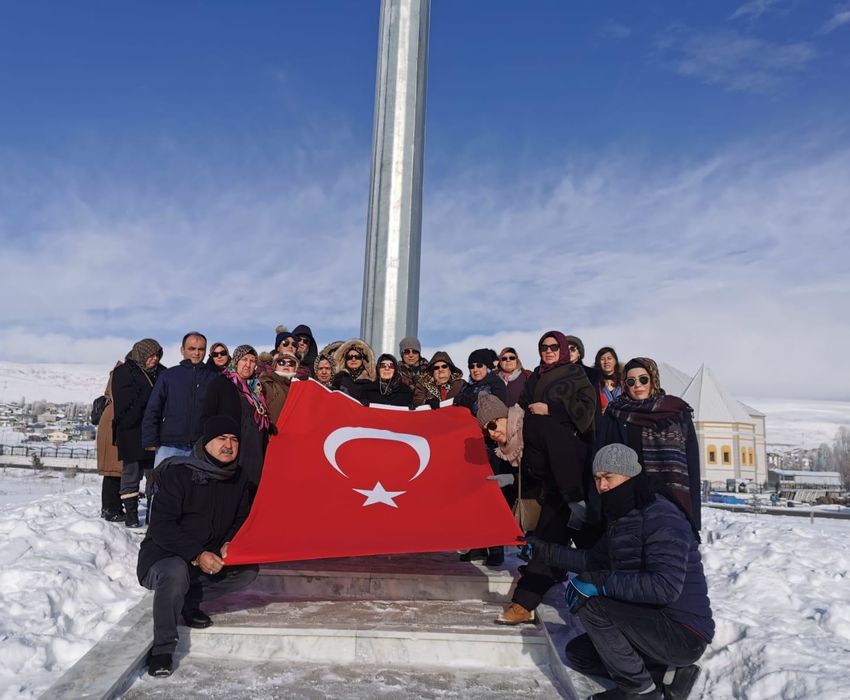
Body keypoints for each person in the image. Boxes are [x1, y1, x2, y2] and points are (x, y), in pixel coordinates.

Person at [529, 444, 713, 700]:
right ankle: (668, 675)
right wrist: (544, 551)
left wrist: (600, 583)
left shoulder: (661, 516)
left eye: (608, 477)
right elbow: (594, 560)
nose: (602, 486)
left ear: (629, 476)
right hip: (652, 620)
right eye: (597, 479)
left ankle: (641, 691)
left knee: (594, 605)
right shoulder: (623, 516)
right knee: (579, 654)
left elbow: (665, 587)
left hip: (682, 631)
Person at [138, 415, 259, 679]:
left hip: (207, 557)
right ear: (205, 443)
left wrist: (229, 543)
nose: (228, 445)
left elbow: (240, 520)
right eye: (221, 439)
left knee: (248, 570)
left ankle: (188, 602)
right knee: (175, 572)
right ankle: (162, 648)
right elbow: (161, 526)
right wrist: (196, 554)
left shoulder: (238, 479)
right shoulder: (178, 474)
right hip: (164, 556)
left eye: (234, 439)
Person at [496, 331, 598, 625]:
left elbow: (588, 412)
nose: (549, 351)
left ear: (564, 350)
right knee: (557, 533)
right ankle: (544, 581)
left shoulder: (577, 375)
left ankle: (525, 601)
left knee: (562, 533)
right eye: (544, 347)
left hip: (571, 469)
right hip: (545, 469)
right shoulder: (536, 377)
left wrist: (553, 410)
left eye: (554, 347)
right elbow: (522, 410)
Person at [597, 357, 702, 530]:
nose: (638, 385)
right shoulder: (615, 412)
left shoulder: (676, 411)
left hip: (670, 501)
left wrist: (693, 520)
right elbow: (601, 457)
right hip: (627, 502)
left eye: (643, 379)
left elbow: (691, 464)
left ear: (653, 379)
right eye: (631, 381)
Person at [204, 345, 272, 493]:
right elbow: (208, 416)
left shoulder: (257, 388)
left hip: (254, 449)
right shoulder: (221, 383)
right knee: (231, 491)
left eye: (253, 361)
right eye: (244, 359)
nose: (248, 364)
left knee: (252, 490)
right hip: (231, 448)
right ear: (236, 361)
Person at [112, 338, 165, 528]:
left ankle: (152, 513)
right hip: (131, 431)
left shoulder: (162, 372)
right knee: (131, 473)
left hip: (154, 430)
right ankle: (132, 515)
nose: (154, 359)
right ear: (141, 354)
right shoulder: (123, 372)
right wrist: (152, 398)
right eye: (151, 355)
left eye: (157, 355)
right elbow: (125, 403)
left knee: (154, 474)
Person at [142, 332, 215, 467]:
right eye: (191, 348)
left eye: (201, 349)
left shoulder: (213, 378)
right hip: (170, 445)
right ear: (182, 350)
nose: (196, 353)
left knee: (198, 487)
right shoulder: (168, 376)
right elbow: (153, 408)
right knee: (163, 486)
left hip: (201, 446)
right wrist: (150, 439)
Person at [95, 365, 123, 522]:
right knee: (113, 470)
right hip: (114, 427)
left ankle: (112, 508)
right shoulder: (122, 374)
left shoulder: (118, 373)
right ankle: (111, 509)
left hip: (114, 426)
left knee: (115, 470)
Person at [454, 348, 508, 414]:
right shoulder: (465, 388)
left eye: (479, 365)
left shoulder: (496, 384)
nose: (475, 369)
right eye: (471, 366)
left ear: (487, 367)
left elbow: (491, 409)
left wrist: (467, 400)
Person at [261, 351, 299, 423]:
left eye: (291, 363)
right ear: (275, 366)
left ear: (296, 368)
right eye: (281, 362)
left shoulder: (300, 387)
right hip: (273, 432)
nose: (286, 365)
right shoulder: (266, 383)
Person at [594, 346, 623, 413]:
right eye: (602, 359)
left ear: (615, 361)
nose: (606, 362)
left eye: (609, 358)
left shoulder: (624, 385)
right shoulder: (594, 384)